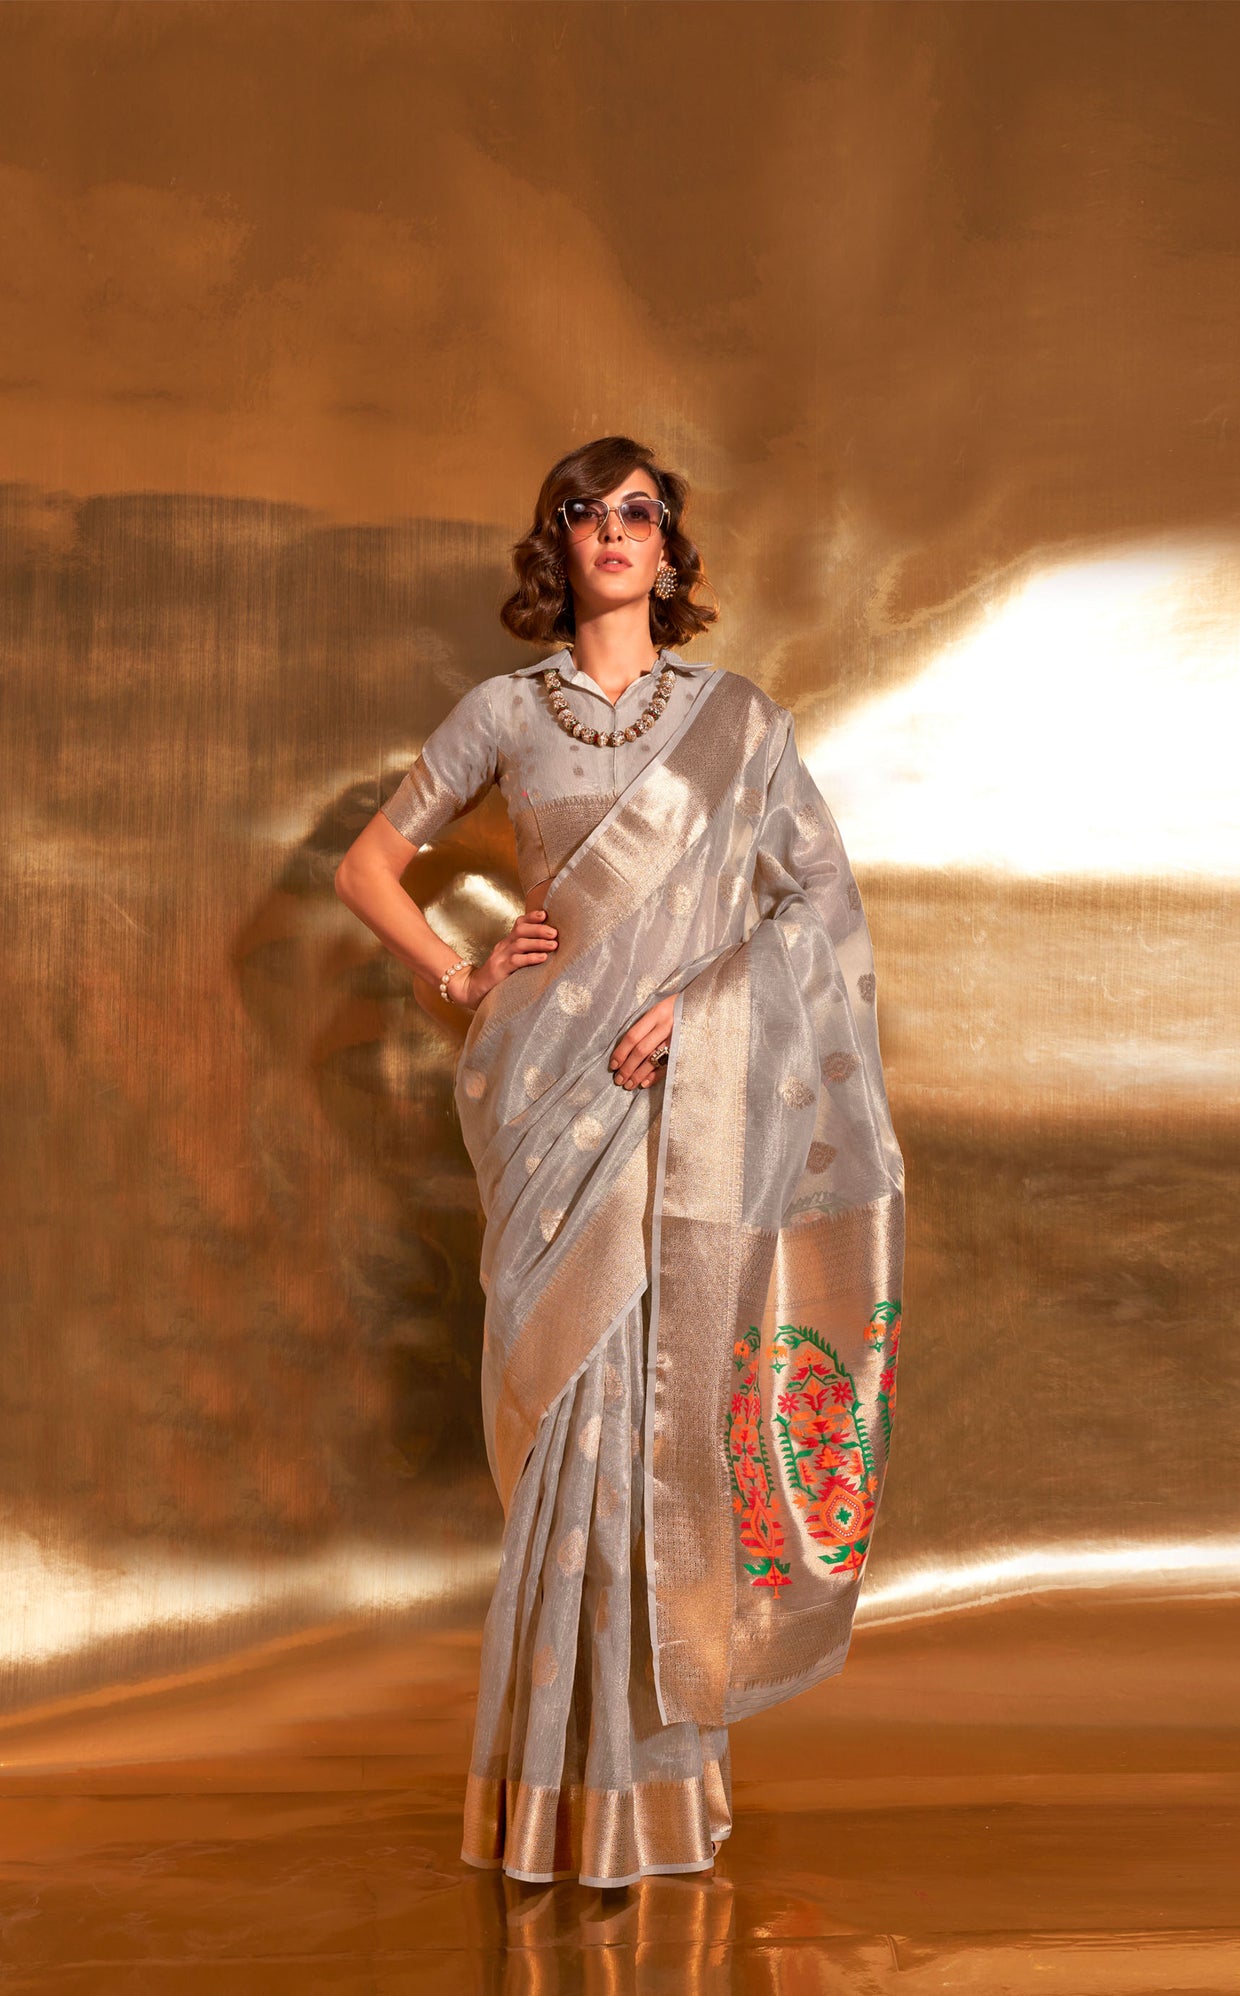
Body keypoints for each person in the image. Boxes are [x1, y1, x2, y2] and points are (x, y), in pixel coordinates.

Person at [334, 434, 905, 1890]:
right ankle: (550, 1794)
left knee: (659, 1430)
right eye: (584, 512)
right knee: (564, 1435)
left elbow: (819, 905)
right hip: (546, 1097)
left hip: (682, 1111)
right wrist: (462, 972)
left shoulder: (737, 720)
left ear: (667, 548)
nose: (611, 531)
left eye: (637, 512)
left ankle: (651, 1797)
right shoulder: (502, 712)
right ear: (558, 544)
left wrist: (704, 1005)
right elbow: (365, 867)